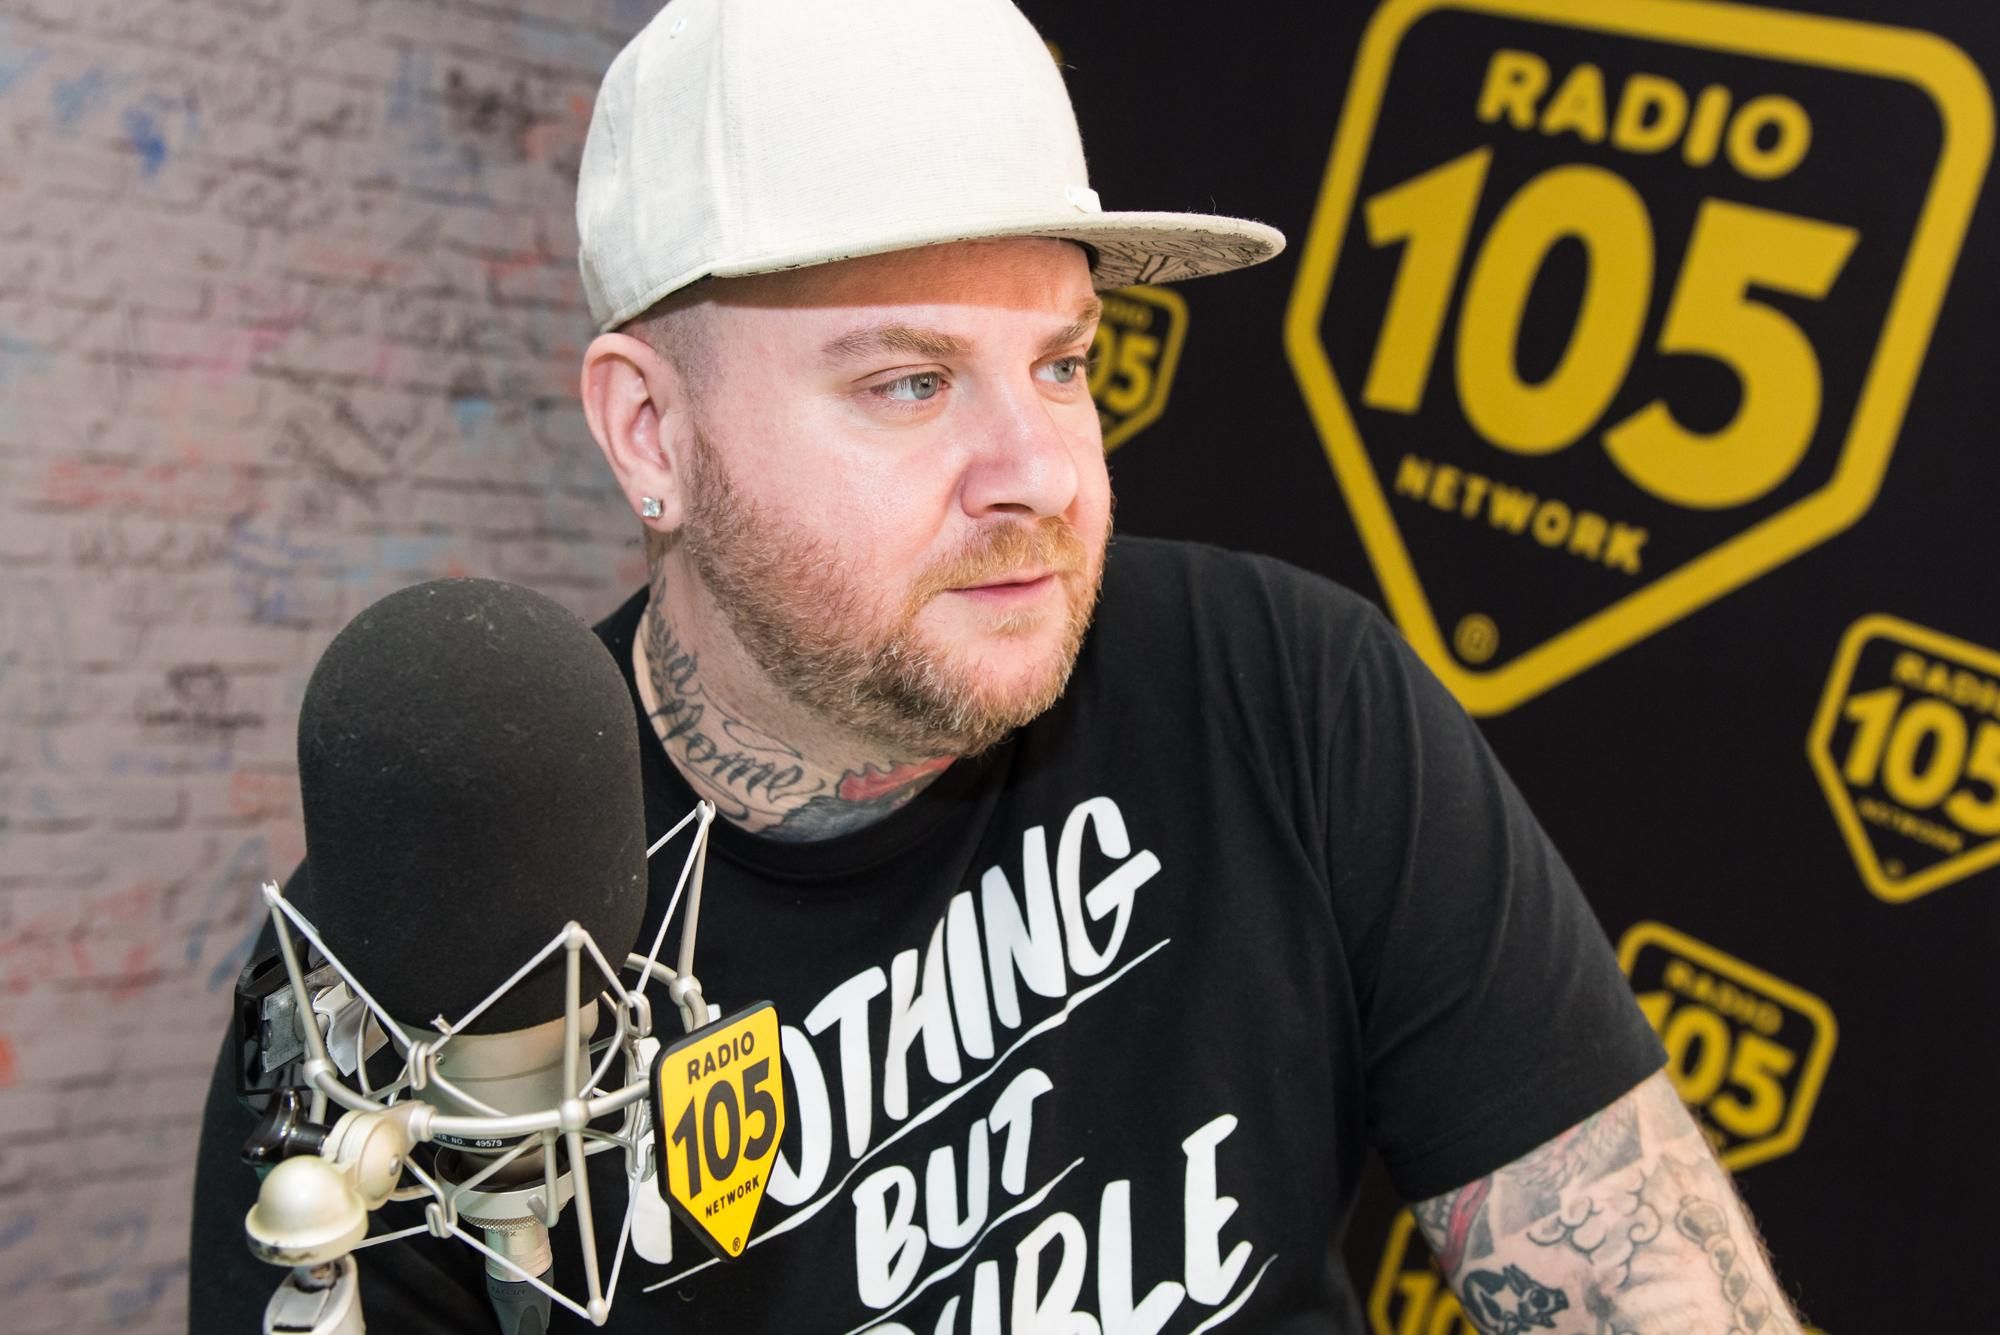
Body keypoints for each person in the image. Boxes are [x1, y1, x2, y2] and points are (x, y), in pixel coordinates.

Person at [192, 0, 1805, 1330]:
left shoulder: (1284, 690)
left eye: (1063, 362)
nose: (1037, 470)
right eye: (908, 383)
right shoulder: (426, 950)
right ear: (651, 433)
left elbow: (1645, 1283)